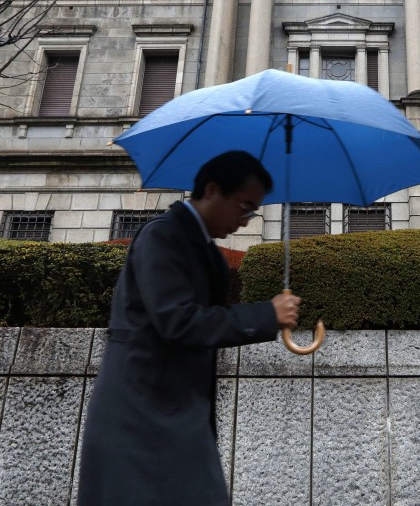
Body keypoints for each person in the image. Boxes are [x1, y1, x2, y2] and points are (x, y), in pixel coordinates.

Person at [77, 150, 302, 506]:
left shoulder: (205, 250)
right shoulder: (161, 237)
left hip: (177, 414)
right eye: (244, 207)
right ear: (212, 190)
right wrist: (265, 316)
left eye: (253, 211)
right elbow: (178, 321)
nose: (245, 222)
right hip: (140, 414)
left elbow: (201, 320)